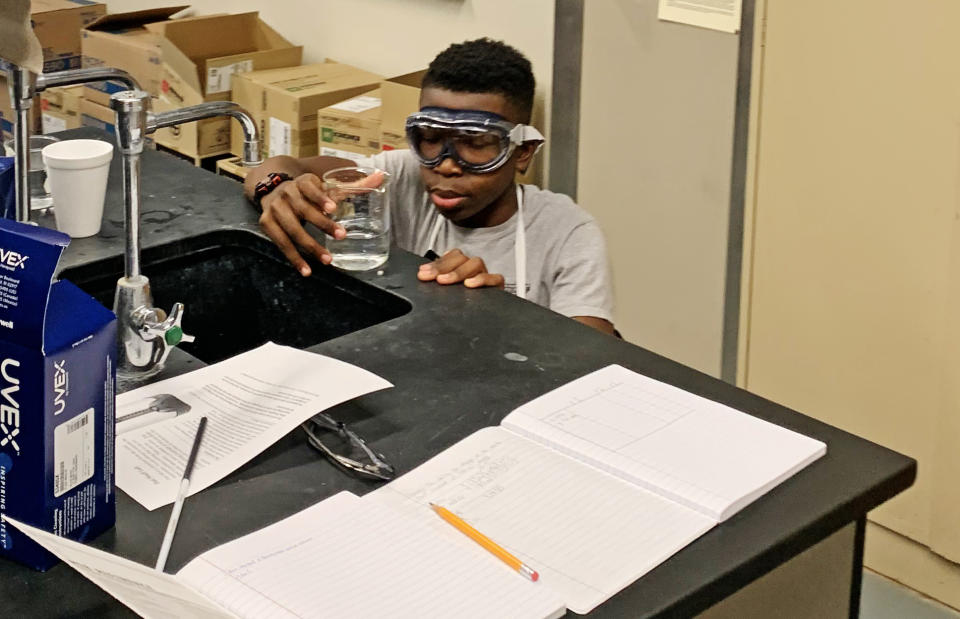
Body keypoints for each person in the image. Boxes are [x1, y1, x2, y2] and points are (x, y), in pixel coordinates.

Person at [244, 38, 616, 335]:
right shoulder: (400, 178)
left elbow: (593, 358)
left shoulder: (566, 231)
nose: (448, 164)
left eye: (476, 143)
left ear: (522, 152)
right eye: (431, 138)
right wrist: (276, 188)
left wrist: (501, 319)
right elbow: (278, 167)